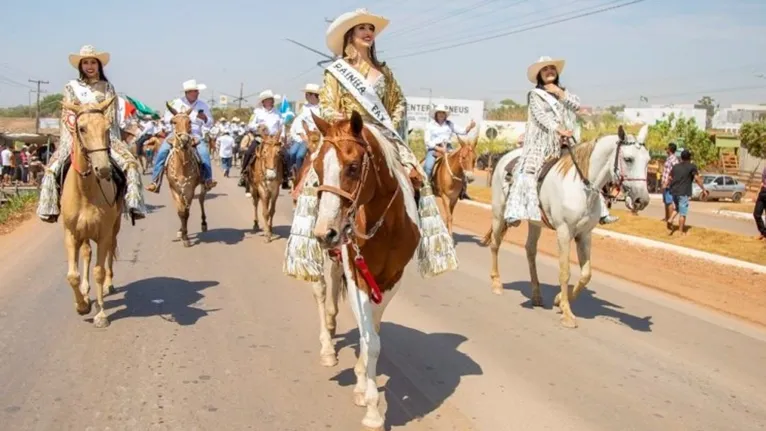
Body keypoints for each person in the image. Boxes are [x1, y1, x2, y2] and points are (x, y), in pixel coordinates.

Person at [37, 45, 147, 223]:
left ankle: (133, 205)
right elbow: (67, 114)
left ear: (99, 65)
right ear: (80, 66)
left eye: (93, 62)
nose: (89, 66)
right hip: (76, 135)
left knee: (131, 163)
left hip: (104, 136)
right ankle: (50, 208)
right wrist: (76, 130)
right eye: (85, 62)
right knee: (52, 168)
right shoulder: (71, 87)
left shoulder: (107, 87)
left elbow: (110, 115)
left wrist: (100, 130)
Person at [503, 56, 618, 226]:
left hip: (566, 142)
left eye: (552, 68)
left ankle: (601, 211)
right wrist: (558, 130)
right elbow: (540, 116)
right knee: (527, 169)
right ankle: (515, 211)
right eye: (545, 69)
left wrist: (560, 93)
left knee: (586, 172)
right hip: (542, 143)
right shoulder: (535, 95)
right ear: (539, 75)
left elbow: (576, 106)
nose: (549, 71)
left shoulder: (563, 93)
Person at [145, 79, 216, 193]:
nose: (197, 93)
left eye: (197, 91)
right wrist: (177, 118)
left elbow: (210, 122)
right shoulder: (175, 103)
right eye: (195, 91)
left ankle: (208, 180)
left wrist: (205, 118)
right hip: (176, 134)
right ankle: (155, 181)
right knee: (162, 152)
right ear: (187, 92)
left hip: (195, 135)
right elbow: (166, 118)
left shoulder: (203, 105)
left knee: (204, 153)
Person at [423, 104, 476, 198]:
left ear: (445, 115)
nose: (441, 115)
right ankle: (426, 187)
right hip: (434, 149)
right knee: (428, 166)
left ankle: (463, 189)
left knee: (460, 163)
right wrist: (438, 148)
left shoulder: (449, 124)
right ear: (436, 114)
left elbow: (462, 131)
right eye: (439, 113)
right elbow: (427, 141)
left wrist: (470, 127)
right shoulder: (429, 125)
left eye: (443, 113)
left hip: (448, 148)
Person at [239, 90, 284, 194]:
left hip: (274, 140)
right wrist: (259, 126)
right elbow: (250, 125)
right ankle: (244, 174)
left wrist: (282, 137)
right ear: (263, 102)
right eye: (267, 100)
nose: (269, 102)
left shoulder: (278, 113)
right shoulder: (257, 112)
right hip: (261, 138)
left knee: (285, 155)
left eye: (271, 100)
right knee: (249, 152)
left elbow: (282, 127)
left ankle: (285, 177)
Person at [665, 149, 708, 235]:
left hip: (674, 191)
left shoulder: (676, 166)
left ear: (681, 157)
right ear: (689, 158)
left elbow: (669, 177)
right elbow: (696, 178)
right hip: (683, 192)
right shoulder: (692, 166)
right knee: (683, 213)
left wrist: (667, 185)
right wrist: (703, 189)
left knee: (677, 208)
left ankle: (670, 219)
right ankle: (681, 232)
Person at [288, 83, 321, 175]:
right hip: (306, 136)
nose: (305, 96)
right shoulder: (304, 108)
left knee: (300, 155)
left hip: (319, 137)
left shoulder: (322, 108)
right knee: (295, 154)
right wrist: (302, 134)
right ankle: (295, 173)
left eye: (307, 94)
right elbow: (299, 121)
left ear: (313, 95)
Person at [661, 142, 679, 222]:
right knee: (666, 201)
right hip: (665, 184)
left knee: (669, 202)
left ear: (670, 149)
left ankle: (670, 219)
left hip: (669, 185)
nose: (666, 150)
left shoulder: (674, 159)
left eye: (667, 148)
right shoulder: (668, 158)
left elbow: (675, 172)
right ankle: (666, 218)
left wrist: (667, 182)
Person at [754, 164, 766, 240]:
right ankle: (763, 232)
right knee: (756, 214)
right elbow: (762, 182)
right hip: (763, 192)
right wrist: (757, 193)